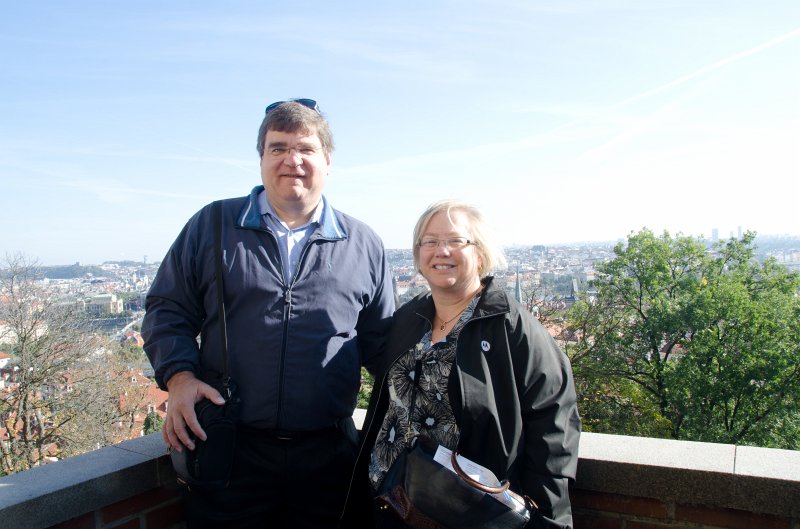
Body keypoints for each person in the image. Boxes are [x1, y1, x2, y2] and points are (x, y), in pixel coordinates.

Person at [142, 98, 395, 529]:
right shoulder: (213, 225)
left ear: (327, 161)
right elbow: (167, 309)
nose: (291, 160)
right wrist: (179, 377)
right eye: (277, 148)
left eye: (306, 149)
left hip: (329, 458)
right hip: (230, 449)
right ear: (261, 159)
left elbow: (384, 345)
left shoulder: (362, 243)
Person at [341, 200, 581, 529]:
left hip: (462, 510)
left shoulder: (509, 324)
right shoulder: (409, 318)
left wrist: (546, 516)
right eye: (430, 241)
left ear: (480, 252)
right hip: (386, 502)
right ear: (418, 255)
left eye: (456, 241)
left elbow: (555, 420)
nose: (442, 251)